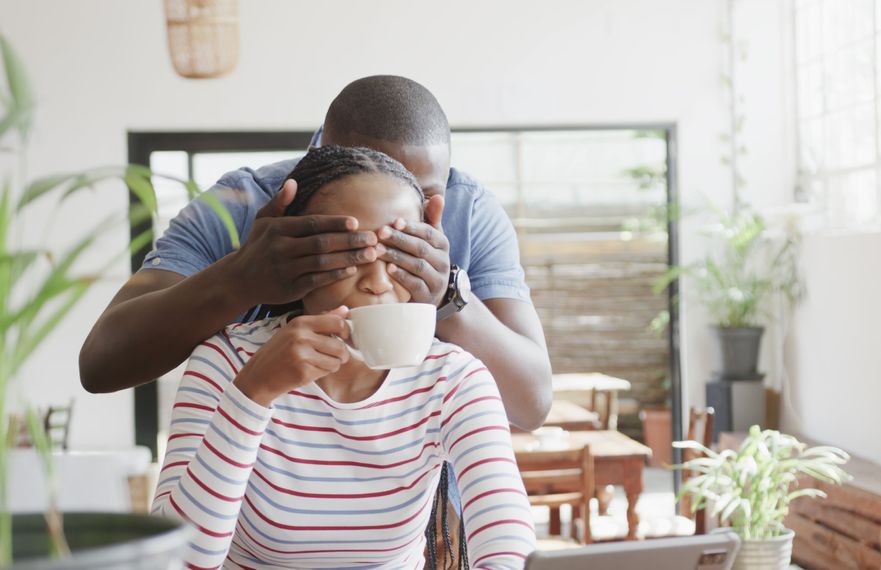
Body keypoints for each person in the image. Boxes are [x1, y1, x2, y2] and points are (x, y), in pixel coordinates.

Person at [80, 75, 552, 431]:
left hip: (412, 511)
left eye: (422, 196)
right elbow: (101, 365)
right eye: (371, 189)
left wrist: (447, 302)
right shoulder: (241, 203)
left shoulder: (467, 210)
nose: (399, 219)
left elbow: (530, 404)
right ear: (323, 156)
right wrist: (239, 278)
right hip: (254, 504)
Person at [152, 145, 536, 569]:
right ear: (296, 254)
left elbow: (509, 549)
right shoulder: (225, 362)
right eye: (351, 255)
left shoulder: (453, 379)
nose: (376, 282)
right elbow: (173, 562)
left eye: (399, 253)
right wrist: (252, 394)